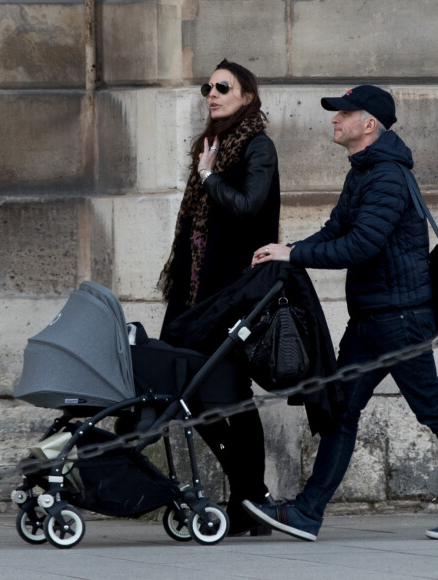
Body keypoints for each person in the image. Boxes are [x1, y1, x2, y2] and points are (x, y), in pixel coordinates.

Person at [243, 85, 438, 541]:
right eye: (336, 113)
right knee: (343, 411)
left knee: (432, 409)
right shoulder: (363, 172)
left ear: (369, 125)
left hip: (398, 319)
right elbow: (336, 229)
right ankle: (307, 512)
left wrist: (294, 256)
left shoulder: (385, 176)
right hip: (372, 320)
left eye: (345, 113)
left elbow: (361, 245)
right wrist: (290, 249)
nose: (335, 119)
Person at [158, 59, 280, 536]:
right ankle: (251, 497)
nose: (212, 93)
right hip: (193, 295)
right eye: (207, 86)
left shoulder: (258, 146)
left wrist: (210, 178)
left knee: (233, 395)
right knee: (185, 391)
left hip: (231, 294)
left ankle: (248, 500)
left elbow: (250, 207)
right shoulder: (210, 145)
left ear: (246, 95)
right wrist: (206, 168)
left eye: (222, 87)